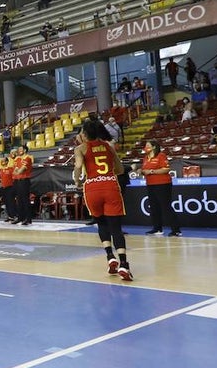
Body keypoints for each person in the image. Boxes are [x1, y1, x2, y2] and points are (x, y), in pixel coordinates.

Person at [74, 120, 132, 281]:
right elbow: (120, 169)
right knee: (116, 227)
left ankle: (109, 257)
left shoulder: (81, 148)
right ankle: (124, 264)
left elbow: (78, 166)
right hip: (110, 186)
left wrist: (77, 180)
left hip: (92, 188)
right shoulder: (109, 146)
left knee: (101, 224)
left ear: (84, 134)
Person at [140, 141, 180, 237]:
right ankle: (157, 228)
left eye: (148, 146)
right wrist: (142, 171)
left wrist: (152, 171)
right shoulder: (145, 158)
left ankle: (176, 230)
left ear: (154, 147)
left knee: (165, 206)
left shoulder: (161, 155)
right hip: (150, 184)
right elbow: (144, 170)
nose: (146, 147)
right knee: (154, 207)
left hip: (163, 184)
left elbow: (166, 169)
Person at [11, 146, 33, 225]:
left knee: (25, 200)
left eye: (20, 149)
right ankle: (20, 218)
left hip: (25, 181)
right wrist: (17, 171)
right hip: (18, 181)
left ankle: (28, 218)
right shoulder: (17, 159)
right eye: (18, 149)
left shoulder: (28, 158)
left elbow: (20, 171)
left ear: (25, 150)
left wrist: (18, 171)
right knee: (19, 200)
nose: (19, 151)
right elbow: (14, 172)